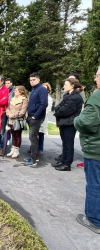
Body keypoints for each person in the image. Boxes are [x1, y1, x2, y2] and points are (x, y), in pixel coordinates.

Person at [74, 66, 100, 234]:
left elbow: (85, 122)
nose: (95, 79)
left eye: (96, 75)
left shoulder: (97, 98)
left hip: (96, 149)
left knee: (95, 185)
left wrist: (76, 119)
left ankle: (94, 220)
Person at [51, 78, 84, 171]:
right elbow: (58, 107)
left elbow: (64, 110)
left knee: (69, 144)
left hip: (70, 124)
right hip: (64, 123)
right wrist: (58, 110)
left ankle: (67, 164)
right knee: (65, 144)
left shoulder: (76, 97)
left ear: (72, 85)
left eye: (65, 84)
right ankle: (63, 160)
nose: (64, 86)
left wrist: (57, 112)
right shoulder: (67, 95)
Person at [24, 73, 48, 166]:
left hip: (36, 117)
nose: (31, 82)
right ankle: (32, 155)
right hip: (31, 116)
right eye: (30, 80)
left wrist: (36, 116)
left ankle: (33, 158)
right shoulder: (34, 89)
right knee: (33, 137)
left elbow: (44, 104)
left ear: (38, 79)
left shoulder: (42, 89)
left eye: (33, 80)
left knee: (33, 137)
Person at [28, 82, 53, 155]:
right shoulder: (38, 95)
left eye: (45, 88)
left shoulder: (49, 98)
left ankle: (40, 149)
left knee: (40, 133)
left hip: (41, 117)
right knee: (33, 134)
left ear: (48, 90)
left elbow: (47, 108)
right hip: (35, 116)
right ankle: (33, 148)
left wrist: (37, 114)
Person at [6, 86, 29, 158]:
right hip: (11, 120)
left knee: (18, 135)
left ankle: (17, 150)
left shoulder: (24, 99)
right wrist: (9, 114)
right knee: (13, 135)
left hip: (18, 120)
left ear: (21, 91)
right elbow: (8, 108)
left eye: (16, 90)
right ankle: (12, 149)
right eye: (14, 90)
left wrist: (14, 115)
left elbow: (23, 111)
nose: (14, 91)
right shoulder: (12, 99)